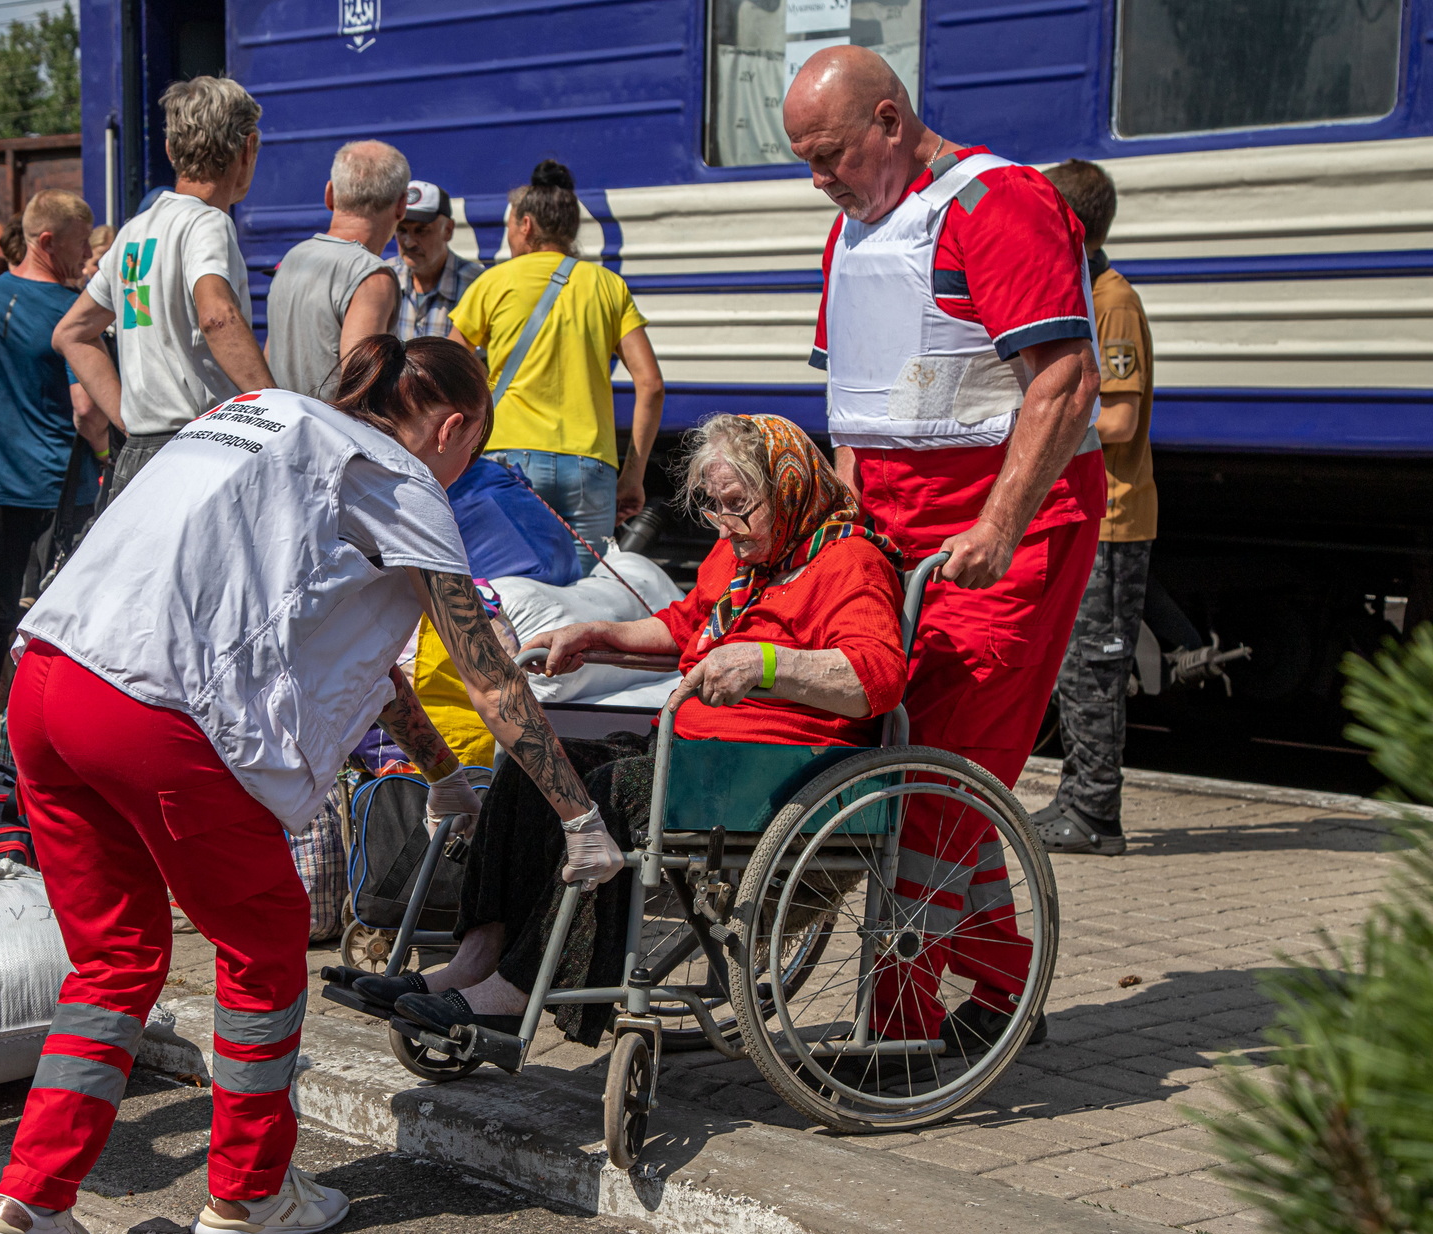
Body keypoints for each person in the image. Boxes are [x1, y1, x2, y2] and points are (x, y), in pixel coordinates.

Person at [0, 337, 624, 1234]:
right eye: (470, 447)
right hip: (156, 710)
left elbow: (363, 656)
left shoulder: (263, 416)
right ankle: (248, 1191)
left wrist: (440, 773)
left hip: (47, 684)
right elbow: (482, 667)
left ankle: (29, 1202)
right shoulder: (399, 479)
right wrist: (578, 814)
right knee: (265, 937)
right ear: (453, 426)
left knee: (113, 958)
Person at [364, 414, 906, 1042]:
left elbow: (876, 675)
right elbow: (685, 626)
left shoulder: (850, 564)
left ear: (787, 488)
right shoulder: (743, 557)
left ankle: (516, 991)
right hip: (700, 756)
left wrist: (765, 663)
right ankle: (473, 962)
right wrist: (599, 636)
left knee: (614, 797)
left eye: (740, 506)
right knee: (537, 764)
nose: (726, 524)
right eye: (715, 507)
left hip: (770, 771)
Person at [784, 46, 1102, 1063]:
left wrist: (1000, 527)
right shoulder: (854, 231)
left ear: (887, 120)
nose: (818, 176)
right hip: (896, 523)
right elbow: (855, 408)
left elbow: (1060, 377)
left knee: (935, 772)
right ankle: (1004, 982)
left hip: (1000, 530)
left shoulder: (995, 202)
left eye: (829, 152)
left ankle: (902, 1026)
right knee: (917, 762)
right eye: (805, 158)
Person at [0, 189, 106, 757]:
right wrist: (113, 455)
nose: (87, 257)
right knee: (56, 627)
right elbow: (85, 409)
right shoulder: (73, 312)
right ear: (47, 240)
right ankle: (33, 742)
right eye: (81, 243)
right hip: (60, 495)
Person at [56, 75, 273, 502]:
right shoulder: (208, 222)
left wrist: (128, 417)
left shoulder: (134, 232)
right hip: (204, 450)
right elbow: (216, 316)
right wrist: (275, 411)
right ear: (247, 149)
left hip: (139, 455)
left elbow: (72, 333)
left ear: (172, 150)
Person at [448, 160, 665, 570]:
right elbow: (650, 384)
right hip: (591, 466)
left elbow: (447, 367)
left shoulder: (494, 282)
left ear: (526, 225)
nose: (508, 235)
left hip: (509, 457)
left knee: (512, 583)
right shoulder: (608, 286)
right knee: (587, 597)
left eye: (509, 226)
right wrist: (633, 476)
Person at [1034, 159, 1156, 858]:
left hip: (1115, 514)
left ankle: (1093, 812)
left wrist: (1041, 423)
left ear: (1069, 227)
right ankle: (1078, 799)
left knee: (1095, 663)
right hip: (1090, 513)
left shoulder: (1111, 300)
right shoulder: (1083, 289)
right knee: (1076, 664)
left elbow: (1120, 419)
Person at [265, 140, 409, 398]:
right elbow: (363, 384)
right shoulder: (371, 276)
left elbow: (270, 355)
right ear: (401, 206)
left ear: (329, 195)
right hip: (329, 434)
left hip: (279, 427)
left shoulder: (292, 259)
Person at [389, 179, 483, 341]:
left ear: (448, 230)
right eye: (401, 230)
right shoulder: (384, 278)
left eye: (422, 230)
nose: (409, 242)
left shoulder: (477, 285)